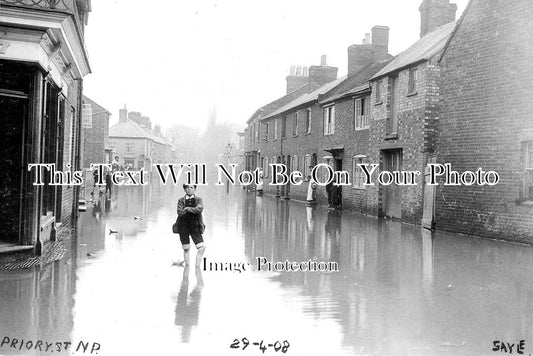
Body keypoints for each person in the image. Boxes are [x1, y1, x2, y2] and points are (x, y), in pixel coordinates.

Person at [173, 184, 206, 267]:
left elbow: (199, 209)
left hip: (195, 226)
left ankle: (197, 267)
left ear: (195, 189)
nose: (189, 189)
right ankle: (187, 268)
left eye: (191, 187)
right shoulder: (181, 200)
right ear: (184, 189)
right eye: (187, 187)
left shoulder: (198, 199)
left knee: (201, 248)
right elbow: (180, 212)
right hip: (183, 225)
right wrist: (193, 210)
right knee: (186, 248)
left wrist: (187, 209)